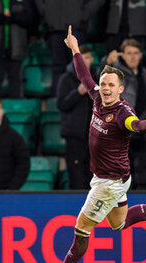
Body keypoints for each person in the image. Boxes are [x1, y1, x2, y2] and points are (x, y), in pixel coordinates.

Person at [32, 26, 146, 263]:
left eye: (111, 85)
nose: (105, 88)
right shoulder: (98, 98)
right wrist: (75, 48)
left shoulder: (122, 112)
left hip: (110, 181)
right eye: (104, 84)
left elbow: (137, 125)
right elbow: (84, 76)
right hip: (115, 176)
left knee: (82, 227)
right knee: (118, 224)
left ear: (121, 89)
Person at [34, 0, 104, 96]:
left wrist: (83, 13)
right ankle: (57, 101)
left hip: (77, 27)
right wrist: (46, 11)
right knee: (58, 66)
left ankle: (80, 99)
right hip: (54, 28)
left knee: (77, 66)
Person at [0, 0, 37, 98]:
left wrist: (14, 17)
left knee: (16, 80)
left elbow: (30, 18)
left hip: (17, 47)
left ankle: (17, 109)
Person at [56, 45, 95, 189]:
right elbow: (61, 104)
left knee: (92, 173)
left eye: (87, 58)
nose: (85, 61)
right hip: (74, 135)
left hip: (93, 134)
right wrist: (78, 92)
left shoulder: (96, 77)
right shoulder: (66, 79)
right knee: (76, 173)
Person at [100, 39, 146, 117]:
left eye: (136, 53)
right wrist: (107, 62)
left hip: (141, 120)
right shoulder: (116, 71)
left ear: (140, 55)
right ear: (123, 56)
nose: (133, 57)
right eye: (129, 53)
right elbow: (99, 78)